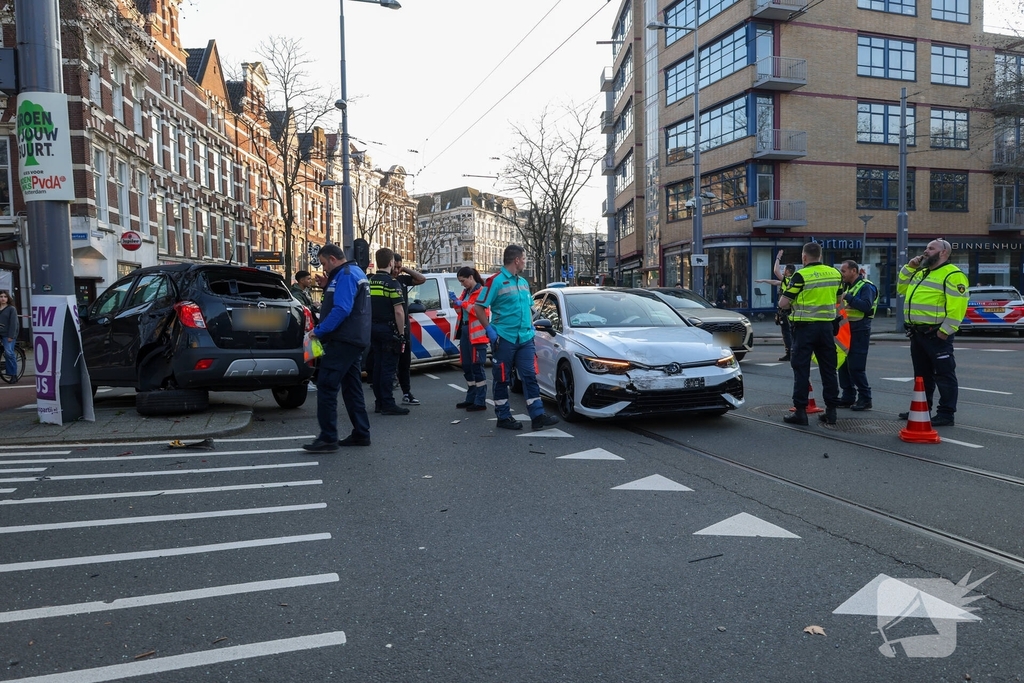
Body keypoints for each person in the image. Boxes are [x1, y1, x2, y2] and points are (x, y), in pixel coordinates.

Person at [474, 244, 559, 431]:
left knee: (529, 376)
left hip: (525, 338)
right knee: (502, 378)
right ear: (517, 260)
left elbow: (528, 307)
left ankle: (537, 416)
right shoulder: (495, 281)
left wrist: (530, 325)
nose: (525, 262)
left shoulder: (523, 282)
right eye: (525, 259)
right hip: (504, 338)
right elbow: (478, 307)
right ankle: (503, 417)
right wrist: (489, 330)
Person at [305, 244, 372, 451]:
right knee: (352, 388)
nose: (324, 268)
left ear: (333, 259)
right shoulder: (355, 272)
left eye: (324, 263)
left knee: (326, 385)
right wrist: (328, 286)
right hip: (355, 339)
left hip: (343, 339)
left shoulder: (346, 275)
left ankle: (328, 437)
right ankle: (361, 433)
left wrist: (319, 331)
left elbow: (342, 309)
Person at [896, 239, 969, 426]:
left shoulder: (953, 275)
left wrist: (945, 331)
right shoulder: (921, 272)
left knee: (944, 374)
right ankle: (921, 408)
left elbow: (958, 307)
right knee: (921, 375)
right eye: (926, 248)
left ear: (943, 253)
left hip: (936, 334)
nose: (925, 251)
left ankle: (946, 414)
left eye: (931, 248)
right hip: (917, 333)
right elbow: (901, 288)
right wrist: (909, 268)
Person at [778, 241, 843, 426]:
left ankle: (800, 412)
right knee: (829, 370)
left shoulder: (800, 275)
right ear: (820, 256)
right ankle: (831, 412)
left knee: (801, 369)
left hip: (804, 329)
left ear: (804, 257)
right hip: (827, 329)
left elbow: (783, 303)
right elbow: (839, 299)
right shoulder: (834, 273)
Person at [368, 247, 409, 416]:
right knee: (388, 368)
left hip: (372, 328)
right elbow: (399, 311)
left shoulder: (369, 281)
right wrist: (401, 334)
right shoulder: (392, 283)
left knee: (377, 366)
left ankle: (379, 402)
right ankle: (388, 403)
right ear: (391, 262)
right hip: (388, 329)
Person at [837, 259, 878, 411]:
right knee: (843, 365)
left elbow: (866, 306)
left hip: (860, 329)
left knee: (856, 367)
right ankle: (848, 397)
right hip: (846, 330)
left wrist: (847, 297)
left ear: (853, 271)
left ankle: (865, 399)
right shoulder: (847, 286)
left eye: (843, 271)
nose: (842, 274)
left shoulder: (867, 286)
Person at [449, 266, 489, 412]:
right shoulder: (466, 292)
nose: (462, 284)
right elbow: (460, 310)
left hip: (477, 336)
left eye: (463, 281)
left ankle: (480, 401)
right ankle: (471, 397)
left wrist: (462, 303)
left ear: (471, 278)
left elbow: (478, 311)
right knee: (466, 366)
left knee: (477, 367)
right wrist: (455, 302)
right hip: (466, 332)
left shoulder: (482, 292)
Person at [390, 253, 426, 406]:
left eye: (399, 267)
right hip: (389, 328)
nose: (396, 270)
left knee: (405, 363)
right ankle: (385, 398)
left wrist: (405, 269)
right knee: (388, 364)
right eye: (395, 267)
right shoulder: (384, 280)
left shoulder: (402, 280)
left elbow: (421, 279)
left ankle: (406, 393)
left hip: (404, 328)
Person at [755, 249, 795, 361]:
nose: (783, 271)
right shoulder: (789, 281)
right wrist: (764, 280)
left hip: (786, 312)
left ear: (788, 271)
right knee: (790, 333)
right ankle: (792, 352)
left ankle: (789, 354)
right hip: (788, 311)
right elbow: (775, 282)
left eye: (785, 269)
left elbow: (776, 271)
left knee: (787, 334)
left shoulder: (788, 279)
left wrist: (778, 257)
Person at [0, 290, 19, 378]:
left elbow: (13, 323)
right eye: (1, 297)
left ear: (8, 298)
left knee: (9, 353)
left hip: (7, 334)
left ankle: (13, 374)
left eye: (5, 297)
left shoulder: (11, 309)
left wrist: (11, 336)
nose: (3, 298)